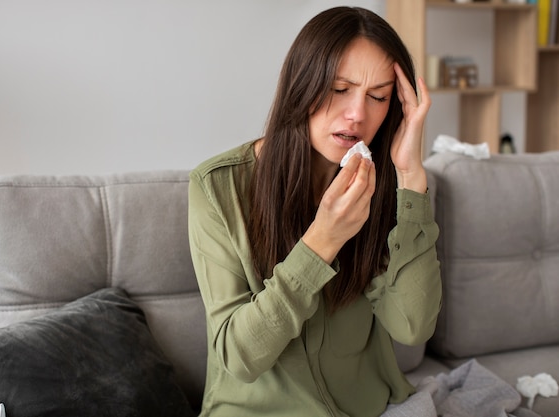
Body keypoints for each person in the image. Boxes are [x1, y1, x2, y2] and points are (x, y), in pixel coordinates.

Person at [188, 6, 442, 417]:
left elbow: (413, 326)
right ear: (301, 85)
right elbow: (239, 357)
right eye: (340, 89)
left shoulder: (385, 182)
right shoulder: (218, 187)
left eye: (377, 96)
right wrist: (322, 241)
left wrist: (411, 176)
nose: (358, 114)